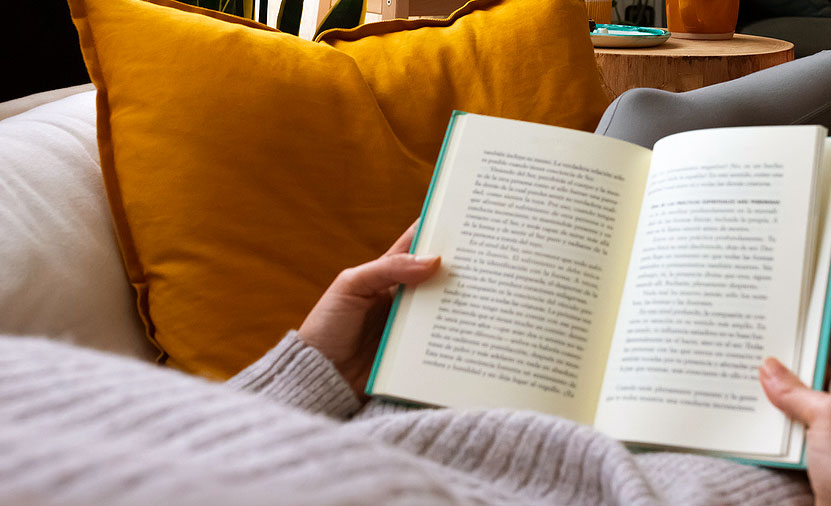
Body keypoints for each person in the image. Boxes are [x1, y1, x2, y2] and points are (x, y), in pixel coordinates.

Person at [1, 221, 823, 505]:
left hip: (403, 407)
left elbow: (191, 439)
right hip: (723, 454)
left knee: (639, 129)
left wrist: (312, 366)